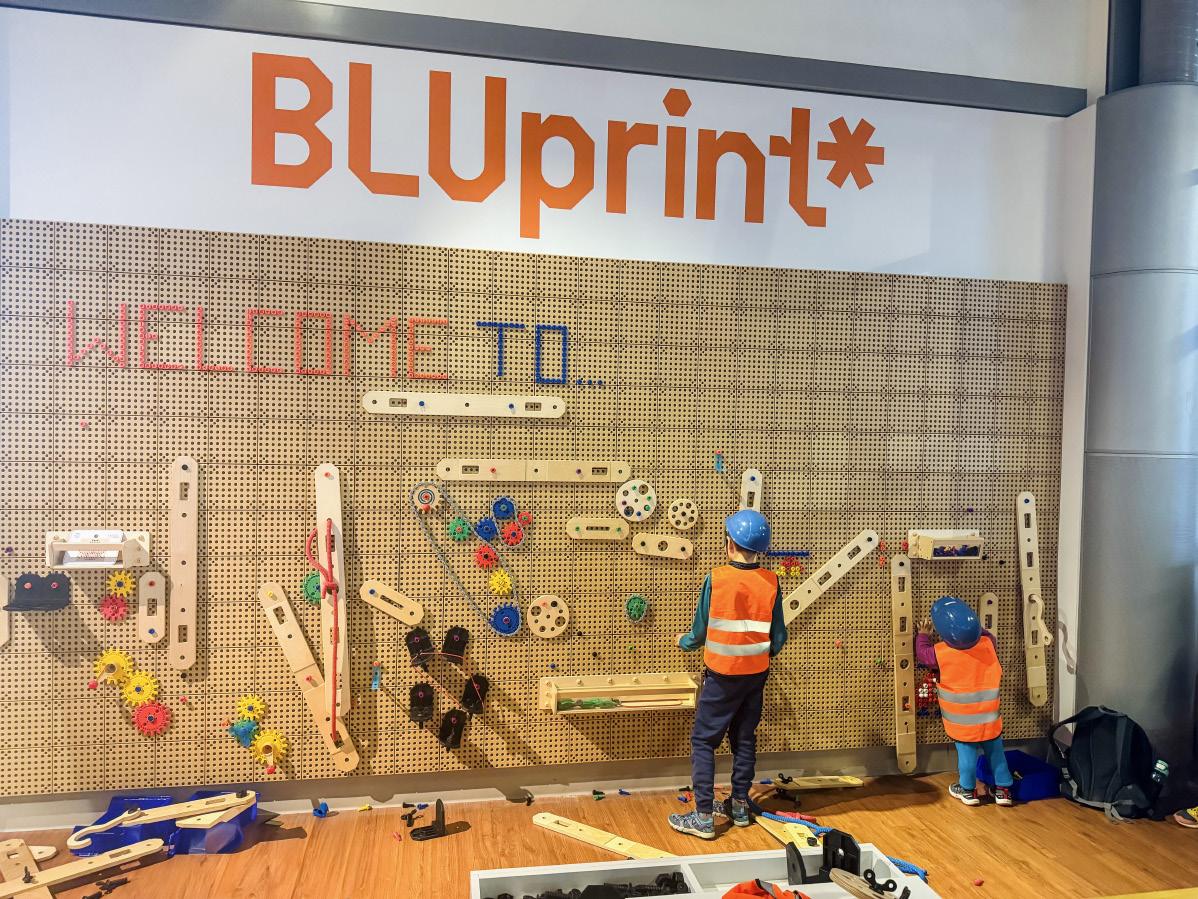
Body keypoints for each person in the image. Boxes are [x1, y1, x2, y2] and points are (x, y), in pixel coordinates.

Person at [668, 509, 787, 839]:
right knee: (744, 739)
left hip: (721, 677)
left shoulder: (717, 579)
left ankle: (704, 817)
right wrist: (759, 654)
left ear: (730, 544)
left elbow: (699, 631)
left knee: (704, 741)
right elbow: (778, 637)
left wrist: (683, 642)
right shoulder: (771, 582)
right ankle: (739, 806)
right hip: (755, 677)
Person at [917, 596, 1014, 807]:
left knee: (967, 758)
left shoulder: (940, 653)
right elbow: (987, 635)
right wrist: (976, 628)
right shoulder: (988, 644)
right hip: (989, 720)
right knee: (997, 755)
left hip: (963, 724)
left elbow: (922, 654)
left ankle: (968, 791)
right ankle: (1004, 791)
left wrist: (923, 635)